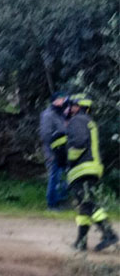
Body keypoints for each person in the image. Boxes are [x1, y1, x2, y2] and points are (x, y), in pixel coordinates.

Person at [52, 93, 117, 251]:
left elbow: (79, 143)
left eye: (72, 105)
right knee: (83, 207)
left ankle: (109, 234)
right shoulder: (88, 121)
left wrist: (69, 158)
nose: (69, 108)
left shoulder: (77, 120)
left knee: (87, 202)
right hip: (90, 168)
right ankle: (81, 242)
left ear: (79, 106)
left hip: (83, 168)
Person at [40, 92, 69, 210]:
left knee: (65, 178)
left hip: (63, 152)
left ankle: (60, 201)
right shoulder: (48, 115)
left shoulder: (60, 114)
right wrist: (51, 154)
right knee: (54, 178)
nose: (64, 101)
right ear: (55, 101)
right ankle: (51, 205)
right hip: (53, 153)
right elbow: (46, 135)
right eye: (62, 99)